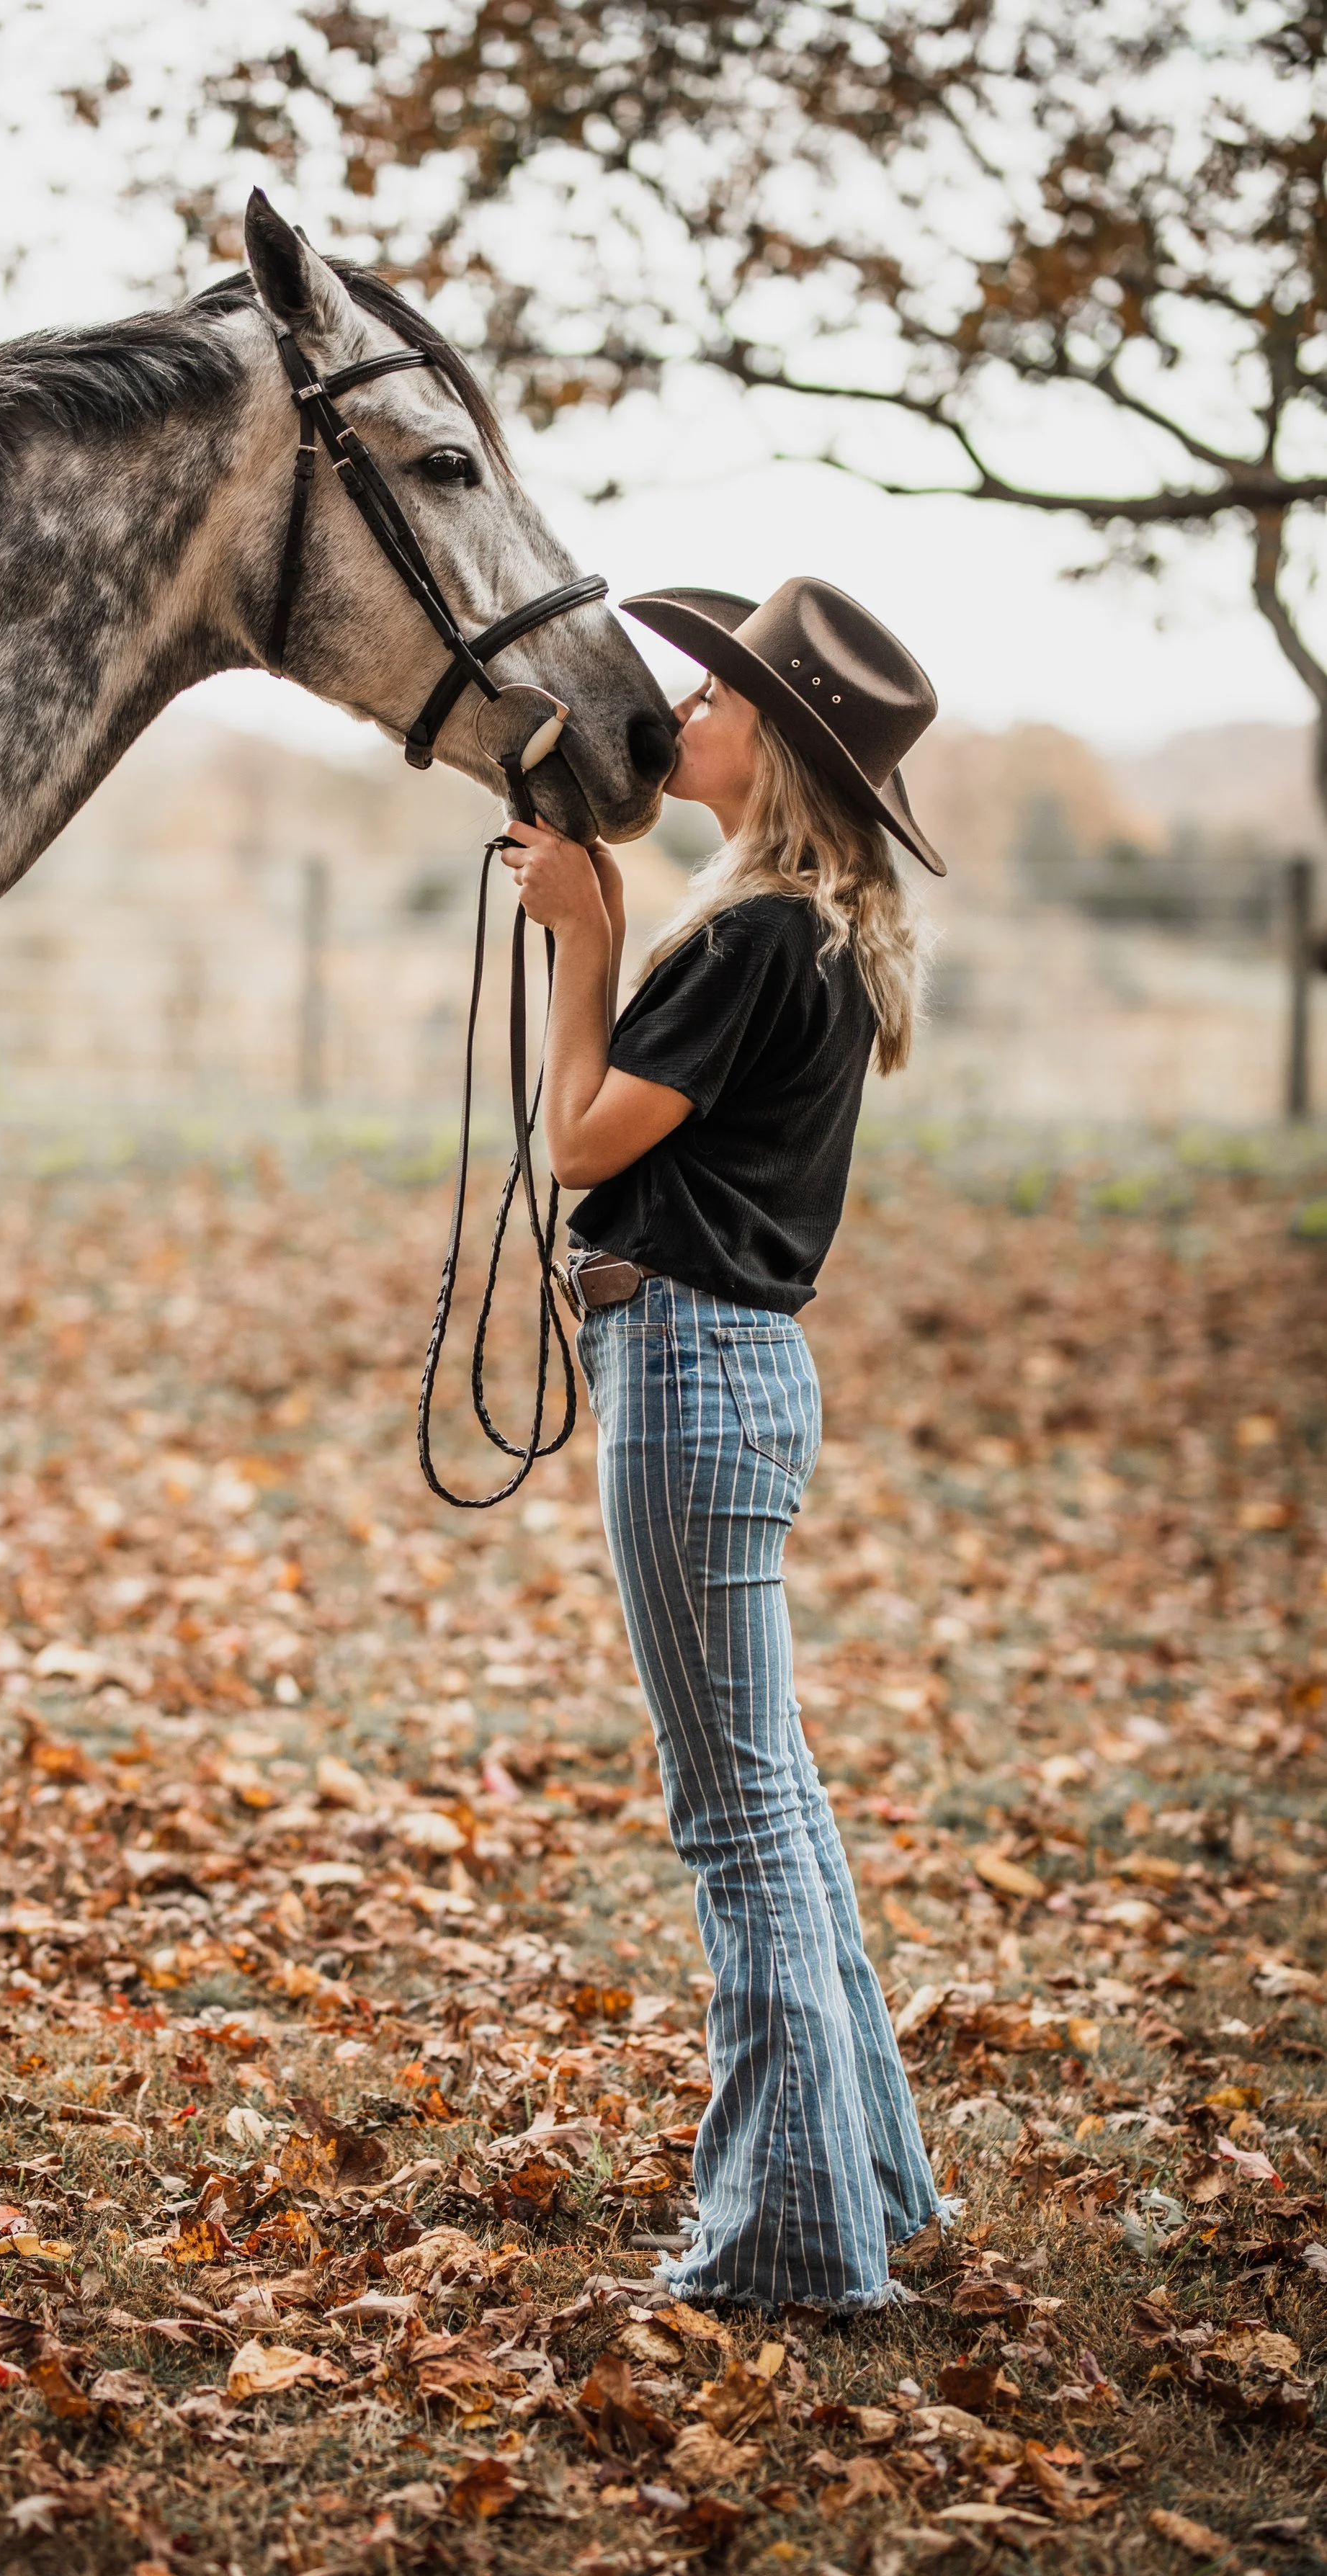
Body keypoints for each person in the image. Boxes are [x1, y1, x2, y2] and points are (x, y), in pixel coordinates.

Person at [499, 578, 954, 2315]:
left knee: (734, 1817)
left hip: (686, 1370)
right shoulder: (809, 935)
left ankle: (786, 2242)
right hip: (730, 1371)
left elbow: (579, 1137)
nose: (680, 707)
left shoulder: (754, 936)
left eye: (710, 695)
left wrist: (582, 940)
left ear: (770, 748)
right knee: (775, 1804)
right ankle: (867, 2185)